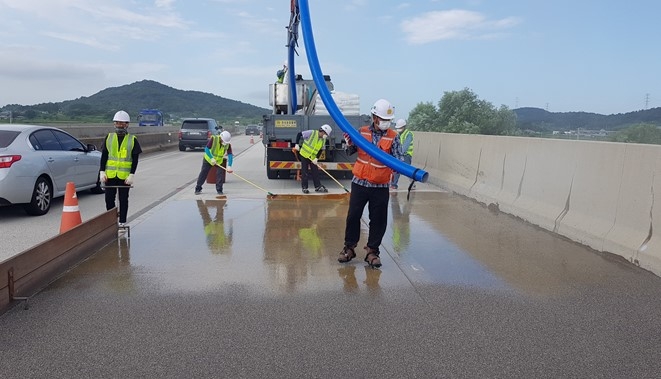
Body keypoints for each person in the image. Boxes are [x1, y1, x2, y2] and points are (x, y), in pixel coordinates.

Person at [338, 99, 404, 268]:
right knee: (353, 216)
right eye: (382, 119)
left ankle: (372, 252)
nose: (385, 123)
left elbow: (399, 159)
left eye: (388, 120)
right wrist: (348, 143)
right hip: (360, 183)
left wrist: (396, 166)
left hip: (380, 186)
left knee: (379, 220)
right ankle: (349, 248)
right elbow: (349, 151)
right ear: (374, 117)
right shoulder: (362, 132)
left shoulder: (393, 137)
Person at [99, 110, 143, 227]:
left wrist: (131, 175)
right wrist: (102, 172)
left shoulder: (132, 140)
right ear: (114, 124)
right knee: (109, 199)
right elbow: (104, 156)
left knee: (123, 199)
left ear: (127, 125)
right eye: (118, 123)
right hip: (110, 175)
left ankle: (122, 221)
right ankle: (111, 221)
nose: (120, 125)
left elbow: (135, 160)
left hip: (124, 177)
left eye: (122, 123)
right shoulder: (109, 137)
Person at [292, 124, 332, 194]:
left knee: (315, 172)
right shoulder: (312, 133)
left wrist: (316, 158)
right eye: (326, 134)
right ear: (322, 131)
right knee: (305, 172)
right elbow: (299, 134)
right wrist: (297, 144)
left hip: (312, 158)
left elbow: (321, 150)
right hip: (304, 155)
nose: (326, 136)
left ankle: (318, 186)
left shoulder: (323, 139)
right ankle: (304, 188)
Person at [194, 130, 233, 195]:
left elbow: (230, 154)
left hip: (218, 161)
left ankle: (219, 190)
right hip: (209, 159)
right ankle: (198, 188)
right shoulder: (214, 139)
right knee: (204, 173)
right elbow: (206, 149)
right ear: (221, 138)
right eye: (223, 141)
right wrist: (211, 158)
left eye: (226, 142)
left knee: (220, 175)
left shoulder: (227, 144)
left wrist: (229, 166)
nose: (224, 143)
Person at [390, 118, 414, 190]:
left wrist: (400, 153)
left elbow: (405, 146)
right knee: (397, 169)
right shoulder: (398, 134)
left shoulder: (408, 134)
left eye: (400, 128)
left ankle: (412, 183)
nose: (399, 129)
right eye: (398, 128)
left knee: (407, 170)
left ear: (404, 127)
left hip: (406, 155)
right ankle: (393, 184)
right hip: (400, 154)